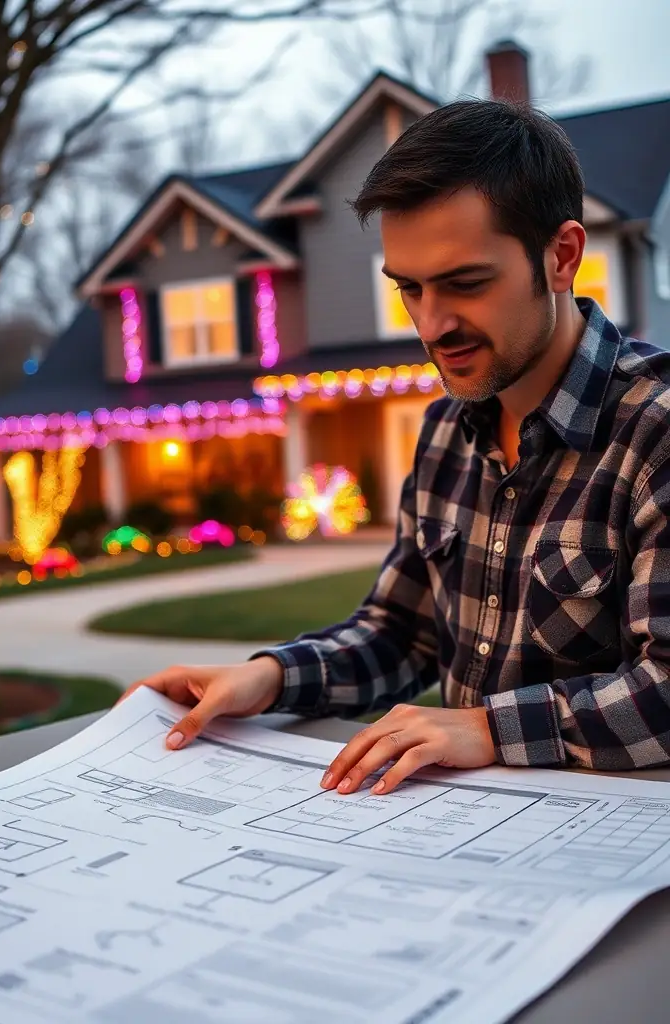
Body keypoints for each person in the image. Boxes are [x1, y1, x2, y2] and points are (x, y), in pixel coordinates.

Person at [121, 99, 670, 792]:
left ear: (562, 257)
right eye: (409, 288)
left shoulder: (655, 430)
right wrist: (268, 677)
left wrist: (488, 729)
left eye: (466, 284)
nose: (433, 325)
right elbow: (402, 633)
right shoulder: (447, 430)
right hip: (457, 828)